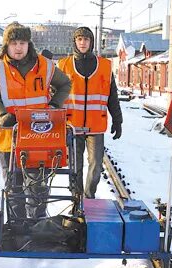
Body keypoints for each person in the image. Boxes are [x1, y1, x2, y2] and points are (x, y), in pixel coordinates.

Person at [0, 22, 71, 218]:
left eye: (22, 42)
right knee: (14, 187)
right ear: (6, 45)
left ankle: (37, 224)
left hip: (38, 137)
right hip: (9, 137)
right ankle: (17, 226)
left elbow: (65, 83)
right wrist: (1, 115)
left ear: (28, 44)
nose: (18, 47)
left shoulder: (45, 66)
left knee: (38, 187)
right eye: (13, 42)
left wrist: (54, 106)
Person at [57, 26, 123, 199]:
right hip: (72, 125)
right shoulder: (63, 65)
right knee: (75, 166)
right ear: (75, 42)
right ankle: (75, 199)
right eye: (79, 39)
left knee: (96, 165)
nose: (83, 42)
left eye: (86, 39)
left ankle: (88, 196)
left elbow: (112, 96)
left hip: (96, 126)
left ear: (91, 42)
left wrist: (118, 120)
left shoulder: (105, 66)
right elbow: (54, 96)